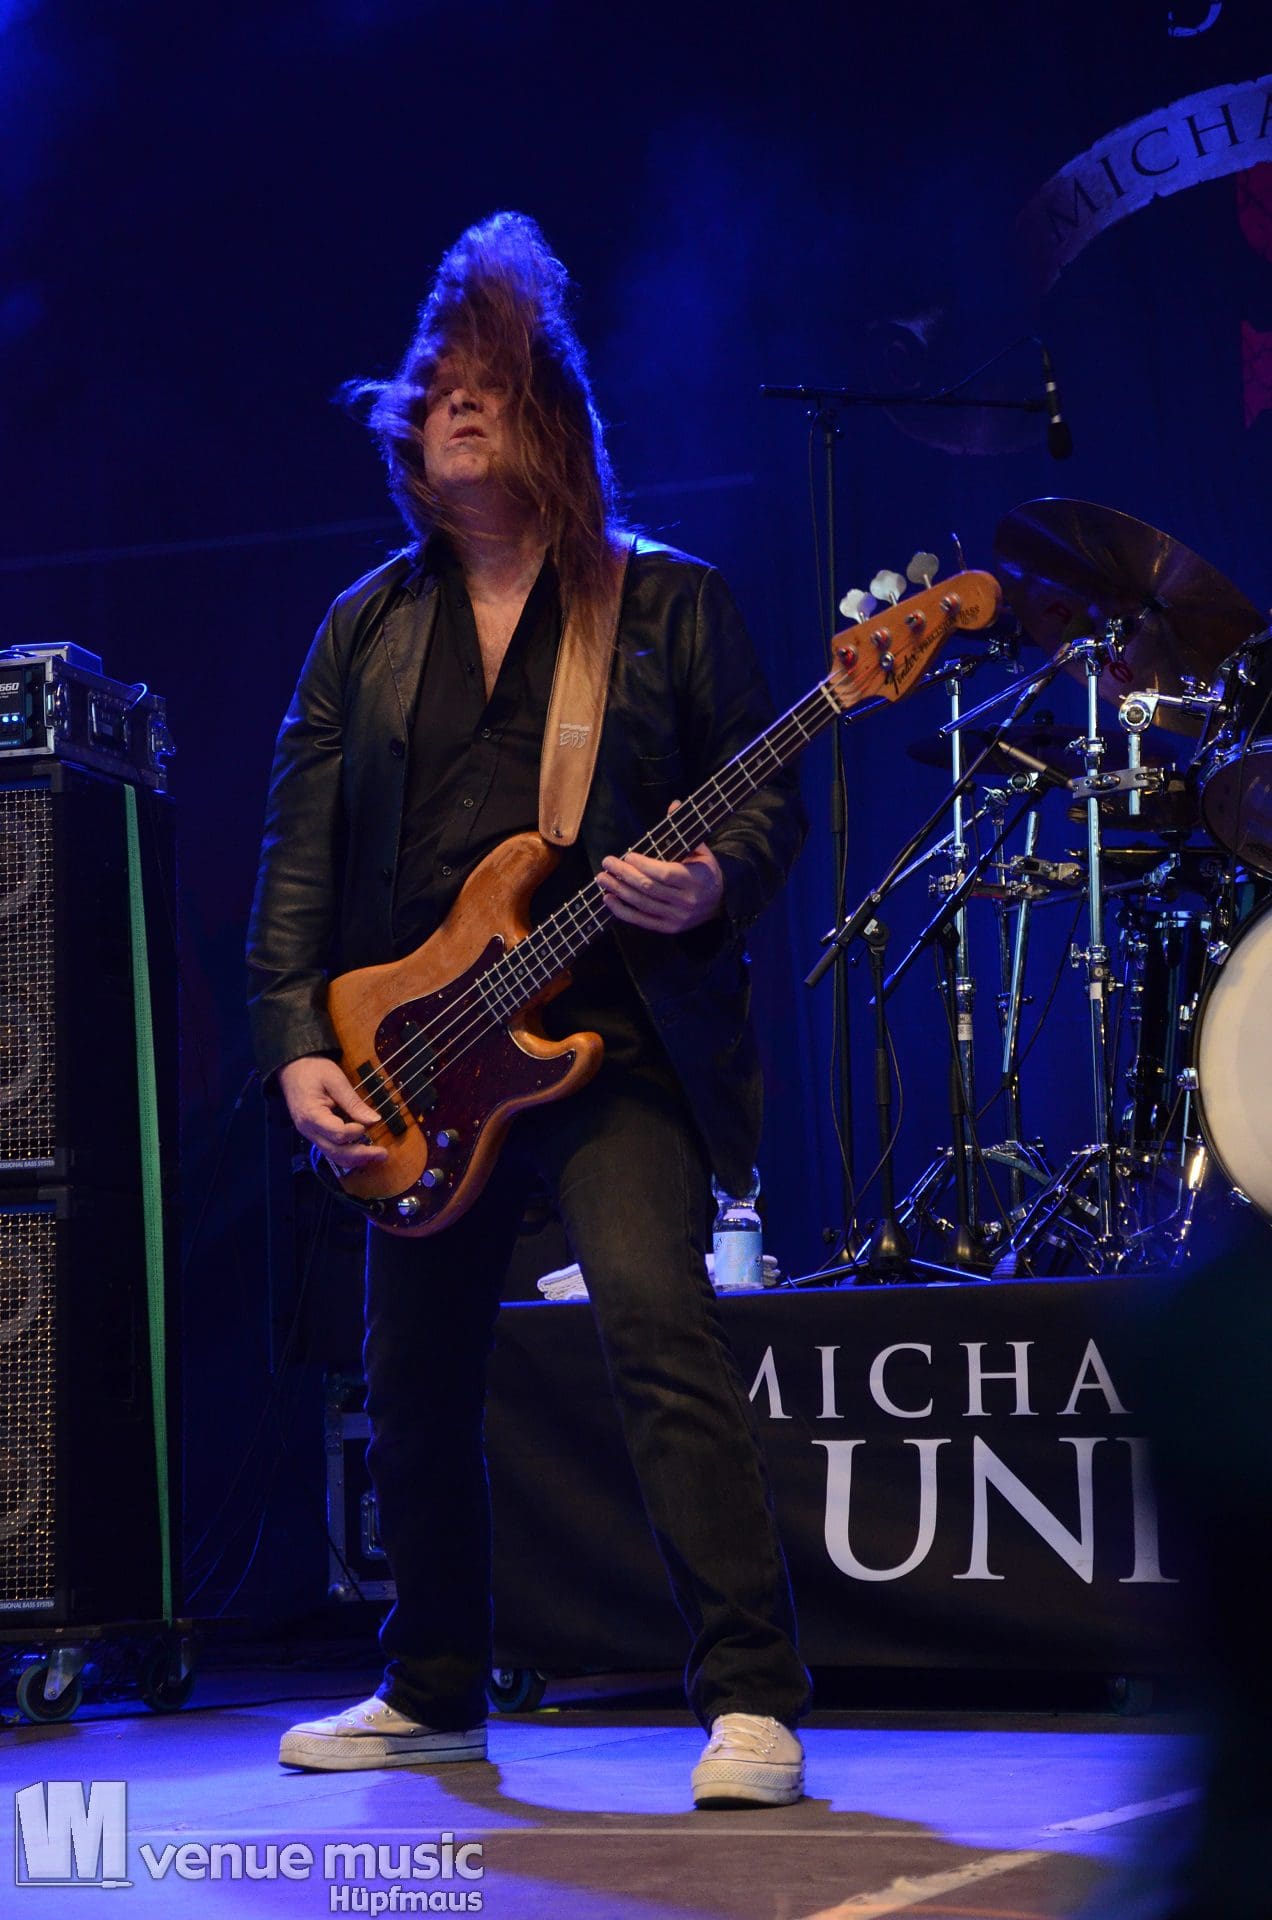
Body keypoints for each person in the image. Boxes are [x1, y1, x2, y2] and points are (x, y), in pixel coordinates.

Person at [246, 211, 810, 1808]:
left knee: (655, 1328)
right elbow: (297, 860)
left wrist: (708, 887)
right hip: (419, 1058)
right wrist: (298, 1045)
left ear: (552, 415)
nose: (457, 411)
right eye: (437, 394)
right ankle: (432, 1689)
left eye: (488, 387)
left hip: (611, 1043)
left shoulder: (668, 604)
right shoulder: (363, 630)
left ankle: (751, 1702)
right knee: (413, 1383)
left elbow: (765, 799)